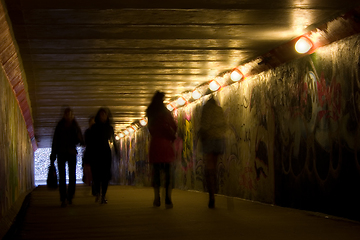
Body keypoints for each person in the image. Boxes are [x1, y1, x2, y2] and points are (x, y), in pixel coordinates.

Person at [146, 91, 177, 208]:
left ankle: (157, 198)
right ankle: (168, 199)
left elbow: (150, 128)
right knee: (168, 173)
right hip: (165, 145)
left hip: (155, 145)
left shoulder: (150, 111)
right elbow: (174, 126)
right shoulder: (165, 112)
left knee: (156, 173)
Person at [50, 107, 84, 207]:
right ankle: (64, 197)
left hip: (69, 153)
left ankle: (69, 196)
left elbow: (80, 141)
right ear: (64, 115)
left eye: (70, 114)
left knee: (71, 175)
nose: (68, 116)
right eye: (67, 114)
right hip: (63, 153)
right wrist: (53, 155)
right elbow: (55, 141)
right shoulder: (62, 126)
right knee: (63, 176)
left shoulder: (72, 126)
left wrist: (79, 139)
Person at [199, 95, 226, 208]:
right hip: (218, 140)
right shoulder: (219, 110)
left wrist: (201, 135)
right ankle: (215, 188)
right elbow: (224, 126)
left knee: (209, 167)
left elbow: (204, 126)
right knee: (214, 166)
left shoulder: (206, 109)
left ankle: (212, 196)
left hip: (209, 140)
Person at [91, 108, 118, 204]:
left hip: (106, 153)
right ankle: (98, 193)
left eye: (104, 114)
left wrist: (116, 151)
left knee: (105, 175)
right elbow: (91, 142)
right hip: (96, 153)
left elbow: (113, 140)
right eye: (101, 114)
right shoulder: (94, 128)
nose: (103, 116)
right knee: (97, 175)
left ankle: (103, 195)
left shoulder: (109, 128)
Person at [82, 116, 95, 193]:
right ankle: (91, 183)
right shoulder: (87, 132)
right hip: (90, 154)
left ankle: (93, 185)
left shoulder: (88, 132)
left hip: (95, 154)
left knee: (94, 171)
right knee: (90, 171)